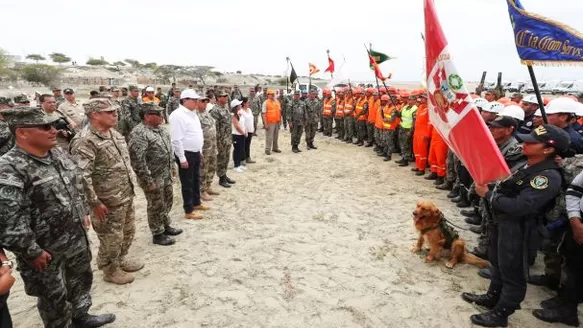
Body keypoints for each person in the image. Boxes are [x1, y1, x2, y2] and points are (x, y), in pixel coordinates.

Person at [0, 106, 115, 328]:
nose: (53, 130)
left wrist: (82, 212)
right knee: (54, 298)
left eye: (53, 125)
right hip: (45, 251)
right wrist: (31, 251)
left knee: (80, 282)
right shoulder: (9, 168)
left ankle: (81, 317)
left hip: (74, 238)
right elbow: (8, 220)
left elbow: (76, 184)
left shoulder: (58, 154)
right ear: (22, 132)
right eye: (45, 127)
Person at [462, 124, 570, 327]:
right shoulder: (528, 165)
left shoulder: (546, 176)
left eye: (532, 142)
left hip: (521, 228)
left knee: (512, 272)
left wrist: (488, 194)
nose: (524, 143)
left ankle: (502, 313)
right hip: (504, 223)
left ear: (547, 149)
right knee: (498, 263)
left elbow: (521, 206)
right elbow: (508, 186)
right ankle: (492, 297)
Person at [70, 99, 144, 285]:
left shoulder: (114, 134)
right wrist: (94, 203)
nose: (115, 115)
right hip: (105, 201)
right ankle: (110, 270)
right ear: (95, 114)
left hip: (124, 194)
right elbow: (81, 176)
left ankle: (120, 260)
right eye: (110, 112)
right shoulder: (85, 140)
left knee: (127, 231)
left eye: (115, 111)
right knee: (110, 237)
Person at [532, 166, 583, 326]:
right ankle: (565, 301)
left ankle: (568, 311)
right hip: (578, 222)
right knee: (572, 264)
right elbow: (574, 190)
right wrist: (575, 219)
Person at [128, 103, 182, 246]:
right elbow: (138, 160)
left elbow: (169, 150)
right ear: (147, 117)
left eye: (161, 113)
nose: (162, 117)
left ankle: (165, 224)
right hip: (153, 177)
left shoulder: (161, 130)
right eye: (157, 114)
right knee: (155, 205)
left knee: (167, 201)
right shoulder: (139, 133)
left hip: (165, 174)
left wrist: (172, 167)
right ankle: (157, 233)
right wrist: (147, 180)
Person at [169, 89, 209, 220]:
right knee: (187, 182)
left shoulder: (193, 114)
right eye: (194, 100)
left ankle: (196, 203)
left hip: (195, 152)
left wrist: (200, 151)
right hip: (186, 153)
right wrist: (181, 158)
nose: (197, 102)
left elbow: (197, 133)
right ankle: (188, 209)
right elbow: (176, 139)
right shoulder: (178, 115)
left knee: (196, 179)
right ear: (184, 100)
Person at [210, 92, 237, 187]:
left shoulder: (224, 109)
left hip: (227, 138)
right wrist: (217, 141)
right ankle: (221, 178)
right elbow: (214, 128)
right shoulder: (215, 111)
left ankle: (224, 175)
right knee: (221, 158)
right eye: (223, 96)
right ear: (218, 98)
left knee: (226, 158)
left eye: (226, 96)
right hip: (221, 140)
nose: (226, 97)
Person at [197, 94, 221, 198]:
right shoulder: (195, 116)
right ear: (197, 102)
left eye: (206, 101)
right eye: (202, 101)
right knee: (203, 168)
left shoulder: (207, 113)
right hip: (204, 148)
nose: (205, 103)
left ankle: (208, 186)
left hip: (212, 146)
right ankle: (202, 190)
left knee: (212, 166)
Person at [261, 89, 282, 155]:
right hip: (269, 122)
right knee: (269, 137)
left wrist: (280, 120)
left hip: (277, 121)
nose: (273, 95)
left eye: (274, 94)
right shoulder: (265, 103)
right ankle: (267, 149)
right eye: (271, 94)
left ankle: (275, 148)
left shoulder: (277, 101)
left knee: (276, 136)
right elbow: (263, 114)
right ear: (268, 95)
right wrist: (265, 124)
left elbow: (279, 111)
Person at [231, 99, 247, 173]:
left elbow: (243, 124)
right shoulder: (234, 115)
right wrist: (243, 132)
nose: (241, 105)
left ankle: (239, 164)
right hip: (237, 135)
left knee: (241, 150)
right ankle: (236, 165)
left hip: (242, 134)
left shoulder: (239, 114)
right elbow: (237, 126)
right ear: (236, 107)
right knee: (237, 150)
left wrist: (245, 131)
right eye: (239, 105)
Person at [240, 97, 255, 164]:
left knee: (248, 144)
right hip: (244, 131)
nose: (249, 103)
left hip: (250, 130)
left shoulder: (249, 110)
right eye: (248, 102)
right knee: (243, 145)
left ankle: (248, 158)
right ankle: (242, 159)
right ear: (244, 103)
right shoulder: (240, 111)